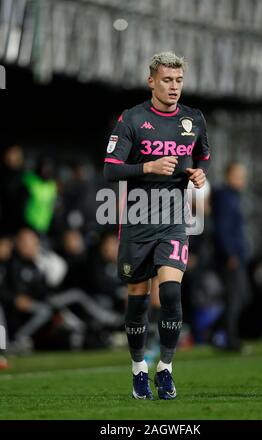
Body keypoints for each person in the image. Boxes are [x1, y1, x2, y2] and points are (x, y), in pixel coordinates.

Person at [103, 52, 210, 399]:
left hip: (173, 220)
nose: (174, 86)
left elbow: (201, 159)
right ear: (152, 81)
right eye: (167, 80)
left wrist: (197, 173)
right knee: (138, 299)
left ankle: (165, 369)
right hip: (136, 220)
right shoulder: (132, 118)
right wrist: (147, 167)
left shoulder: (194, 119)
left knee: (170, 292)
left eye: (179, 80)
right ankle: (138, 370)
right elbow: (111, 169)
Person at [212, 162, 250, 351]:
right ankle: (229, 340)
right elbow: (223, 228)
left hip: (237, 255)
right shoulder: (225, 197)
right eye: (238, 175)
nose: (243, 179)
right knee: (234, 298)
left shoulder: (233, 197)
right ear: (229, 175)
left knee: (241, 297)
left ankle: (218, 332)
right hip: (231, 257)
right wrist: (230, 253)